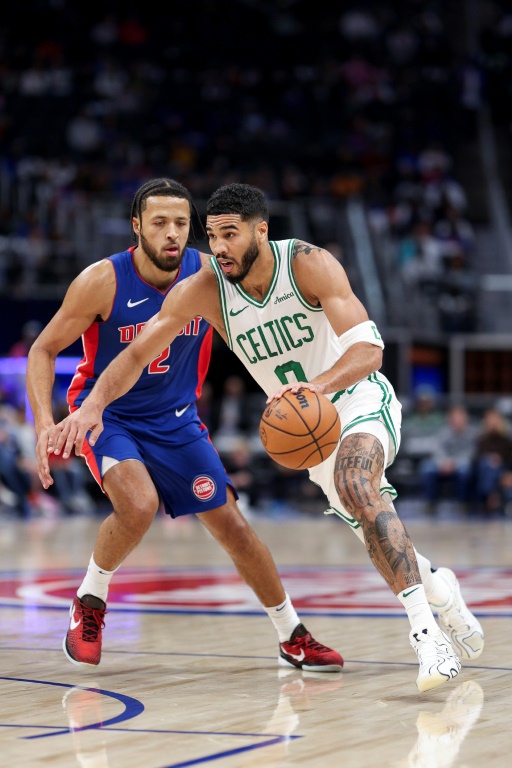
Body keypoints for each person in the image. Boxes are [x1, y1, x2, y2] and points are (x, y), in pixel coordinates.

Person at [49, 183, 484, 693]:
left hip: (357, 400)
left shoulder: (308, 264)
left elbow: (370, 350)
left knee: (358, 485)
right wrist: (93, 406)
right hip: (310, 431)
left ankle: (427, 638)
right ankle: (440, 589)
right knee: (373, 530)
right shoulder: (205, 290)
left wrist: (316, 388)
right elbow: (135, 355)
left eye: (230, 234)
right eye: (212, 237)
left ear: (262, 230)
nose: (219, 248)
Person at [26, 178, 343, 674]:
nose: (173, 234)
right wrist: (46, 422)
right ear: (137, 228)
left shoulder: (209, 275)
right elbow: (42, 348)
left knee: (236, 530)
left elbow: (273, 303)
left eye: (181, 223)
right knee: (139, 504)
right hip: (108, 414)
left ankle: (292, 636)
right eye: (159, 223)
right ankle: (90, 600)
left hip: (177, 421)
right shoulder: (101, 281)